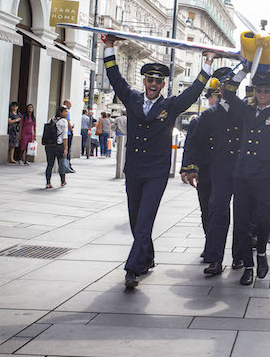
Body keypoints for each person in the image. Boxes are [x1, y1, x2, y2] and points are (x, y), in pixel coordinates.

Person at [101, 34, 214, 289]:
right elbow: (115, 78)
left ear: (163, 84)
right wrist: (108, 48)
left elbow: (195, 92)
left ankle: (132, 269)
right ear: (144, 81)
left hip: (156, 172)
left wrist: (207, 64)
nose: (153, 84)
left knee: (144, 221)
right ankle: (148, 257)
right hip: (134, 170)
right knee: (134, 220)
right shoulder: (131, 98)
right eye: (150, 79)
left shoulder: (171, 105)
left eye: (158, 81)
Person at [223, 61, 270, 286]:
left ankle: (262, 253)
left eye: (267, 90)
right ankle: (248, 265)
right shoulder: (245, 109)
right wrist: (244, 71)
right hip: (243, 173)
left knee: (264, 220)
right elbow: (227, 93)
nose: (262, 93)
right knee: (243, 222)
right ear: (254, 91)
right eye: (259, 89)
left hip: (265, 175)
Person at [181, 68, 244, 276]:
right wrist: (190, 167)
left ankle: (239, 256)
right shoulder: (208, 115)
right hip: (218, 171)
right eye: (223, 86)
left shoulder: (243, 109)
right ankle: (215, 258)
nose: (225, 89)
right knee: (217, 213)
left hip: (242, 170)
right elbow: (196, 143)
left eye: (229, 85)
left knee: (243, 216)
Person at [180, 73, 225, 261]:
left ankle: (215, 249)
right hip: (205, 171)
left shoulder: (229, 119)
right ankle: (209, 243)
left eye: (217, 97)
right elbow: (191, 145)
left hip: (224, 171)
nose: (214, 100)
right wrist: (188, 167)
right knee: (206, 209)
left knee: (218, 209)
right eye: (212, 97)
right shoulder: (198, 120)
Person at [45, 106, 69, 189]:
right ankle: (63, 181)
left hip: (49, 145)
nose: (67, 113)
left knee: (49, 164)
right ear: (61, 112)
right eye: (65, 111)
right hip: (59, 145)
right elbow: (64, 136)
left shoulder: (51, 119)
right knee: (61, 163)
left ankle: (48, 182)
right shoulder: (64, 121)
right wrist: (66, 148)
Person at [63, 100, 75, 172]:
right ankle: (67, 165)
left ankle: (65, 165)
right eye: (70, 104)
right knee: (67, 150)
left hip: (64, 133)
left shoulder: (61, 112)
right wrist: (71, 130)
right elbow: (68, 122)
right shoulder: (66, 112)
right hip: (67, 134)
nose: (71, 106)